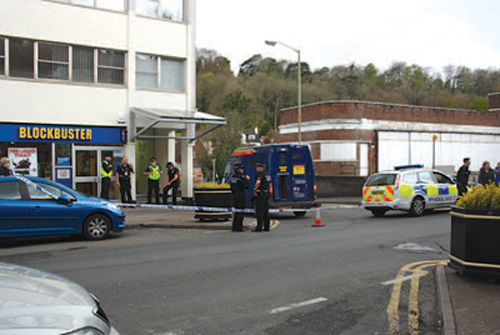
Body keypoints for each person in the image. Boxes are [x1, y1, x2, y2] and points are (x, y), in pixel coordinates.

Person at [230, 163, 250, 232]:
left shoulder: (233, 177)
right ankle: (239, 227)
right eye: (241, 169)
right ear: (238, 169)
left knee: (236, 212)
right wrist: (248, 180)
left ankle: (234, 227)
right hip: (241, 197)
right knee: (240, 213)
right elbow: (246, 186)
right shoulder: (241, 177)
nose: (242, 170)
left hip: (234, 196)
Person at [253, 161, 272, 232]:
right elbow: (270, 184)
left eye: (257, 167)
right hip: (266, 194)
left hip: (261, 194)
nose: (256, 169)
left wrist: (255, 189)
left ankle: (259, 227)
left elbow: (258, 182)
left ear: (261, 167)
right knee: (266, 211)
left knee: (259, 211)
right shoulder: (267, 174)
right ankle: (267, 227)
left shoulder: (260, 174)